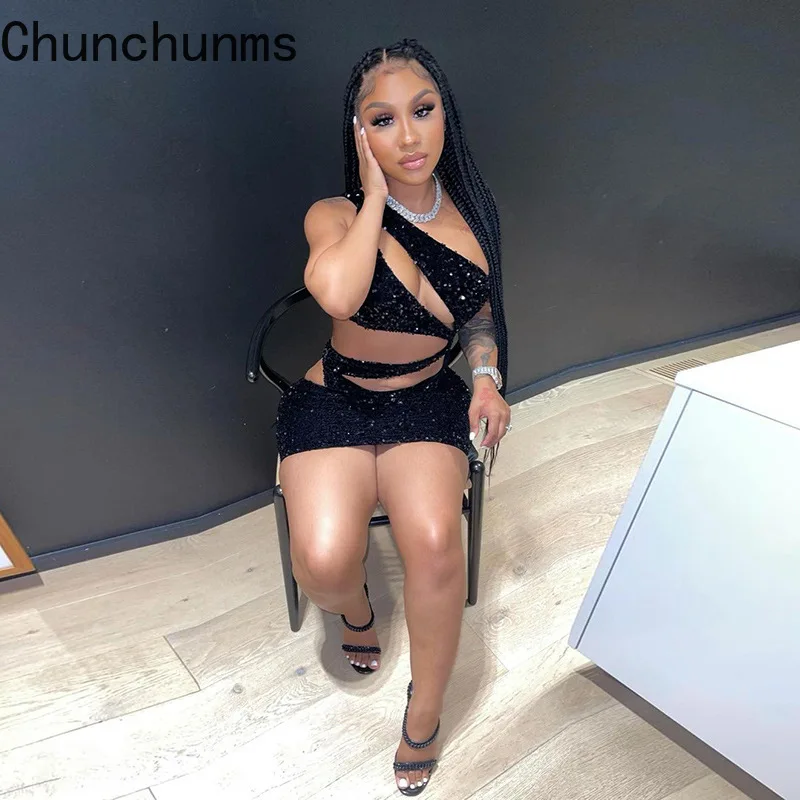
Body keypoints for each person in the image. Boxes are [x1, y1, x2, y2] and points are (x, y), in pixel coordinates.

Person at [274, 38, 511, 796]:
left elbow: (478, 315)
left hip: (426, 398)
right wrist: (374, 197)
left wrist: (485, 377)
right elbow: (340, 295)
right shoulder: (334, 214)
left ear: (445, 114)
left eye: (423, 110)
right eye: (383, 120)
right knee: (323, 562)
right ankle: (355, 613)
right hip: (337, 397)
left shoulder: (474, 214)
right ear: (359, 135)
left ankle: (426, 712)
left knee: (437, 542)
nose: (409, 136)